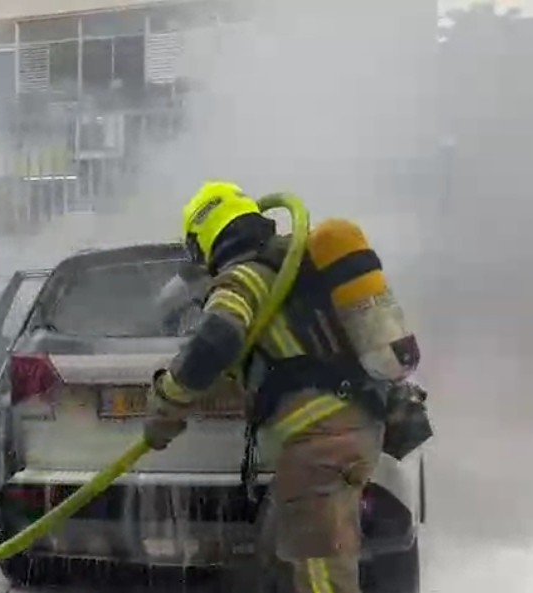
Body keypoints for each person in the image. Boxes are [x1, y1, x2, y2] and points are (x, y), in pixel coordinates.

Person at [143, 181, 385, 593]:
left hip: (321, 440)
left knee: (321, 569)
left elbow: (216, 340)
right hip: (353, 424)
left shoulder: (246, 276)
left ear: (203, 242)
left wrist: (166, 402)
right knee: (284, 551)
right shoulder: (294, 263)